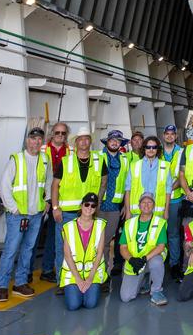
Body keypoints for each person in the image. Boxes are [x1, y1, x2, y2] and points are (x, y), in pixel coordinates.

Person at [0, 126, 49, 301]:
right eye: (33, 138)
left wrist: (47, 201)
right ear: (27, 141)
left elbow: (48, 182)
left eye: (39, 139)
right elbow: (4, 186)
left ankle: (20, 283)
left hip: (36, 214)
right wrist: (13, 209)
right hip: (17, 215)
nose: (36, 142)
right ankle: (2, 286)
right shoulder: (17, 160)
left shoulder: (44, 160)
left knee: (28, 250)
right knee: (11, 250)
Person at [50, 128, 104, 295]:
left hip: (88, 213)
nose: (84, 142)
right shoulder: (66, 161)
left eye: (87, 139)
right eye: (80, 139)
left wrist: (97, 204)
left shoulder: (99, 160)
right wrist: (55, 207)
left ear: (90, 141)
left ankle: (86, 280)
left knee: (88, 249)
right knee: (63, 249)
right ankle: (62, 282)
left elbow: (103, 182)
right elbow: (55, 185)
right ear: (76, 142)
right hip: (67, 213)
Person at [118, 192, 168, 306]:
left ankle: (156, 291)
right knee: (126, 297)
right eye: (143, 202)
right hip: (135, 261)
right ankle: (145, 280)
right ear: (139, 205)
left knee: (157, 261)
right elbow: (123, 247)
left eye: (149, 202)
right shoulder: (129, 223)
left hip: (150, 259)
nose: (146, 205)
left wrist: (145, 258)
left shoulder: (160, 222)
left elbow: (161, 246)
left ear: (153, 205)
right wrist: (131, 260)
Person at [60, 192, 107, 311]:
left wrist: (90, 278)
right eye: (87, 204)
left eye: (93, 206)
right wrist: (78, 279)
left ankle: (86, 291)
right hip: (73, 273)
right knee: (73, 305)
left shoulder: (100, 225)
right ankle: (77, 291)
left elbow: (100, 253)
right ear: (81, 205)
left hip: (92, 273)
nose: (89, 208)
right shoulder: (68, 226)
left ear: (95, 209)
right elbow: (67, 255)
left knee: (90, 304)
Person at [38, 121, 70, 281]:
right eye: (57, 132)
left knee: (53, 235)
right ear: (52, 134)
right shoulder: (42, 149)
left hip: (60, 198)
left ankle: (47, 269)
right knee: (33, 237)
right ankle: (27, 272)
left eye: (63, 133)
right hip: (42, 198)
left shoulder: (71, 151)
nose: (60, 135)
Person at [125, 135, 174, 225]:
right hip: (137, 212)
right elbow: (128, 190)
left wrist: (166, 210)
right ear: (144, 148)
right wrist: (128, 211)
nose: (151, 149)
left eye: (154, 147)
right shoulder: (134, 165)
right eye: (148, 147)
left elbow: (168, 190)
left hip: (158, 213)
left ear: (157, 149)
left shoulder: (165, 166)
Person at [99, 129, 127, 277]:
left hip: (114, 207)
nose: (115, 142)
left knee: (106, 242)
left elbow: (127, 185)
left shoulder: (125, 160)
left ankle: (102, 274)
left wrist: (125, 206)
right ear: (107, 142)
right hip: (97, 206)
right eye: (112, 140)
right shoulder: (98, 157)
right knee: (95, 242)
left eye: (118, 140)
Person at [160, 123, 185, 270]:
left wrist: (168, 190)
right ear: (163, 136)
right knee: (158, 232)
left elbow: (183, 175)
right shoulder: (157, 151)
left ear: (176, 136)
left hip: (175, 198)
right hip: (158, 200)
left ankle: (174, 264)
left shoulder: (182, 152)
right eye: (167, 134)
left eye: (172, 134)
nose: (169, 136)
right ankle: (159, 260)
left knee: (173, 232)